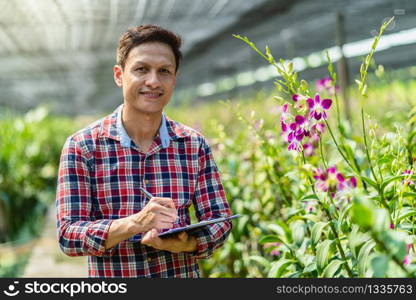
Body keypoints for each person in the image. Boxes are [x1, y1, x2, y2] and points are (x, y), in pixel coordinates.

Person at [56, 24, 232, 277]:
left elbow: (220, 219)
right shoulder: (83, 147)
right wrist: (135, 223)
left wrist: (187, 243)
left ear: (174, 78)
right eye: (141, 69)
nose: (153, 81)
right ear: (119, 75)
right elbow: (68, 235)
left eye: (164, 71)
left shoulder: (193, 146)